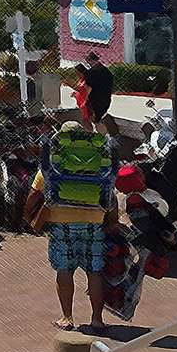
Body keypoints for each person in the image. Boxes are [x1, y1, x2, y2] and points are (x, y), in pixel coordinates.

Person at [23, 122, 119, 333]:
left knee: (64, 271)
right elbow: (110, 192)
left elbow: (34, 194)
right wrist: (113, 220)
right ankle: (97, 319)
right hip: (94, 222)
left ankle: (67, 318)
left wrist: (27, 216)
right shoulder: (98, 162)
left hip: (61, 222)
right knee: (94, 273)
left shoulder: (53, 163)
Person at [78, 52, 116, 137]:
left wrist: (85, 100)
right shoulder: (107, 71)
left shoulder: (91, 73)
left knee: (88, 120)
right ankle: (104, 137)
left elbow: (88, 88)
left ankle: (91, 136)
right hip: (106, 100)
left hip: (94, 101)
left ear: (89, 60)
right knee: (99, 119)